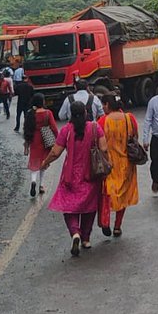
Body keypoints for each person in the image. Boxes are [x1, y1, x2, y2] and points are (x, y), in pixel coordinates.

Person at [41, 101, 110, 256]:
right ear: (86, 112)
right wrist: (107, 165)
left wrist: (45, 163)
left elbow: (55, 152)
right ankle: (86, 238)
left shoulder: (67, 130)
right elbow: (104, 148)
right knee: (89, 207)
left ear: (71, 114)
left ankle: (75, 233)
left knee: (69, 208)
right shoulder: (94, 128)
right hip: (90, 175)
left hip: (70, 177)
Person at [97, 93, 139, 237]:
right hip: (126, 164)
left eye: (103, 105)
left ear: (108, 105)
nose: (102, 107)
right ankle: (117, 226)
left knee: (107, 193)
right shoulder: (129, 118)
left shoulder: (102, 121)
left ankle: (105, 221)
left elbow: (97, 143)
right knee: (123, 195)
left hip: (108, 165)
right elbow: (135, 137)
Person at [23, 94, 58, 197]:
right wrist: (58, 138)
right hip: (45, 140)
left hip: (33, 139)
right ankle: (41, 185)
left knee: (34, 161)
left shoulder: (30, 113)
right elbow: (54, 128)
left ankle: (33, 181)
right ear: (42, 102)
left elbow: (26, 127)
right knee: (44, 161)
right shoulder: (48, 113)